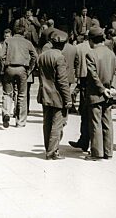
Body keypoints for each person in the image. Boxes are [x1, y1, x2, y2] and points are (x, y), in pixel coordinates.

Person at [84, 27, 116, 161]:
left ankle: (96, 153)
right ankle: (108, 152)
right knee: (107, 122)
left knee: (95, 123)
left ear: (91, 40)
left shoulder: (91, 54)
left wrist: (101, 89)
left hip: (96, 94)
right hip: (110, 93)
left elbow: (93, 75)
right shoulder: (111, 53)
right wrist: (113, 88)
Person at [37, 31, 71, 160]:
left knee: (47, 123)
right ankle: (52, 152)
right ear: (63, 45)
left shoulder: (42, 56)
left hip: (44, 93)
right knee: (57, 124)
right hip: (57, 95)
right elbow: (62, 81)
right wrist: (68, 99)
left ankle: (48, 148)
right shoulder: (60, 57)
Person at [0, 24, 37, 128]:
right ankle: (20, 121)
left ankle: (6, 113)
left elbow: (0, 56)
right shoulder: (27, 42)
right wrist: (30, 68)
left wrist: (3, 68)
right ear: (24, 32)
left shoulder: (8, 41)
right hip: (22, 69)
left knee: (7, 93)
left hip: (9, 68)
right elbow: (35, 56)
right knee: (22, 95)